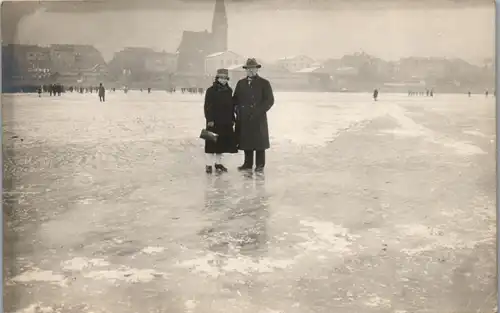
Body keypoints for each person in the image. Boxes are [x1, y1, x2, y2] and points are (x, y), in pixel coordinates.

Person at [233, 58, 275, 173]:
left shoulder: (264, 83)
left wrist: (259, 111)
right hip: (245, 117)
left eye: (253, 69)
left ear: (257, 69)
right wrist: (238, 109)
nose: (251, 71)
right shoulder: (241, 83)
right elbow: (235, 99)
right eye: (249, 69)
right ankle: (247, 164)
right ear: (246, 70)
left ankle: (260, 165)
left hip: (259, 118)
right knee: (247, 141)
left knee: (259, 142)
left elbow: (269, 100)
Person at [204, 68, 237, 174]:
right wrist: (209, 119)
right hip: (213, 122)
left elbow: (231, 106)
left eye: (225, 78)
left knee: (221, 145)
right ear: (217, 78)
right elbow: (207, 106)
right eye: (221, 78)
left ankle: (218, 164)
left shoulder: (229, 90)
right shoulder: (211, 90)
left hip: (225, 122)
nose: (223, 80)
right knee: (210, 144)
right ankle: (208, 165)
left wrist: (232, 119)